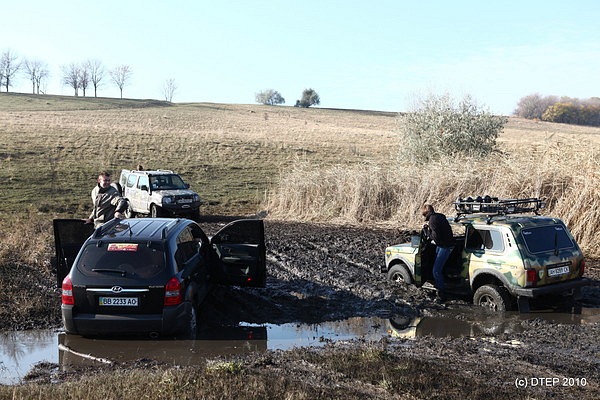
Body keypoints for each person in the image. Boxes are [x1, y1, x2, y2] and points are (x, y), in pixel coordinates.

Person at [421, 204, 454, 302]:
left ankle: (441, 294)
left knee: (436, 270)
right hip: (446, 244)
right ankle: (438, 285)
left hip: (444, 246)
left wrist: (426, 231)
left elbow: (436, 237)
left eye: (424, 215)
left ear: (427, 213)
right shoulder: (440, 216)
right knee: (437, 267)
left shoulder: (432, 220)